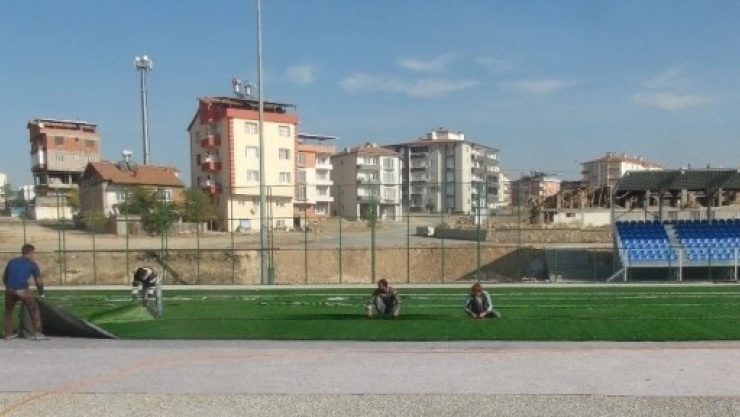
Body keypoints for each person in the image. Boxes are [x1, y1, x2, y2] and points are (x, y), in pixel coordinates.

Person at [3, 244, 46, 340]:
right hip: (22, 290)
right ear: (31, 253)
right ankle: (38, 333)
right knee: (34, 309)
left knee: (9, 311)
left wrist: (8, 287)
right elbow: (39, 281)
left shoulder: (12, 262)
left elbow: (5, 276)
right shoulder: (32, 264)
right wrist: (41, 293)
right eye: (33, 253)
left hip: (9, 289)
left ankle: (8, 334)